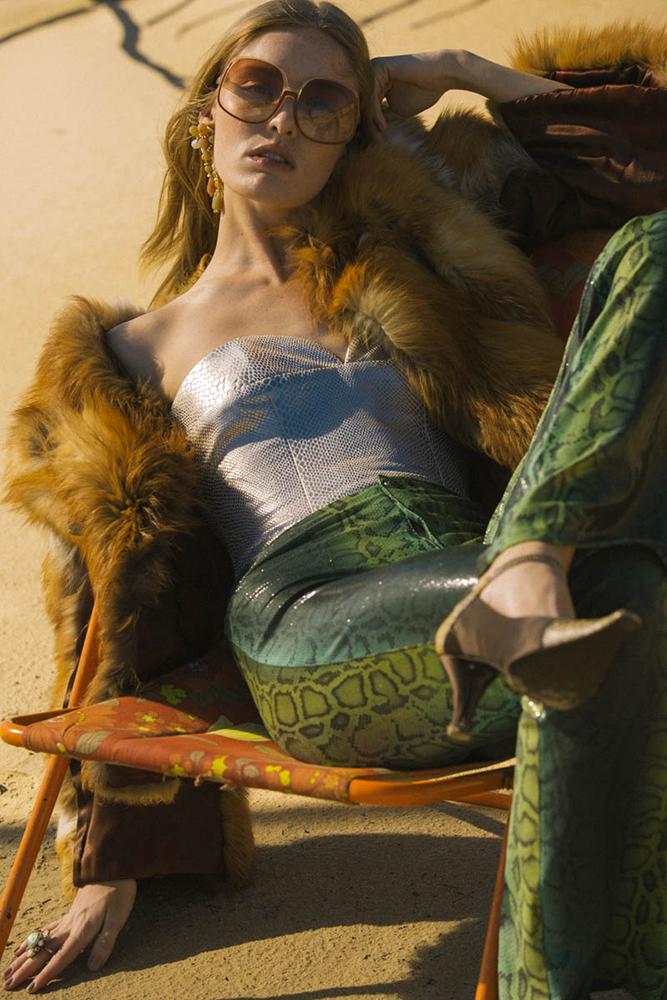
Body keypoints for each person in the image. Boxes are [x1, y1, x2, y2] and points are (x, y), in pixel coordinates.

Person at [3, 2, 667, 997]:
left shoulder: (414, 245)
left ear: (355, 137)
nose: (283, 118)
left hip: (480, 563)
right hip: (310, 620)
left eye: (324, 103)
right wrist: (110, 864)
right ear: (205, 113)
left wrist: (464, 67)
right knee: (618, 591)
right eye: (257, 87)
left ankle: (530, 559)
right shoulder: (126, 349)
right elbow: (106, 598)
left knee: (654, 250)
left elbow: (644, 164)